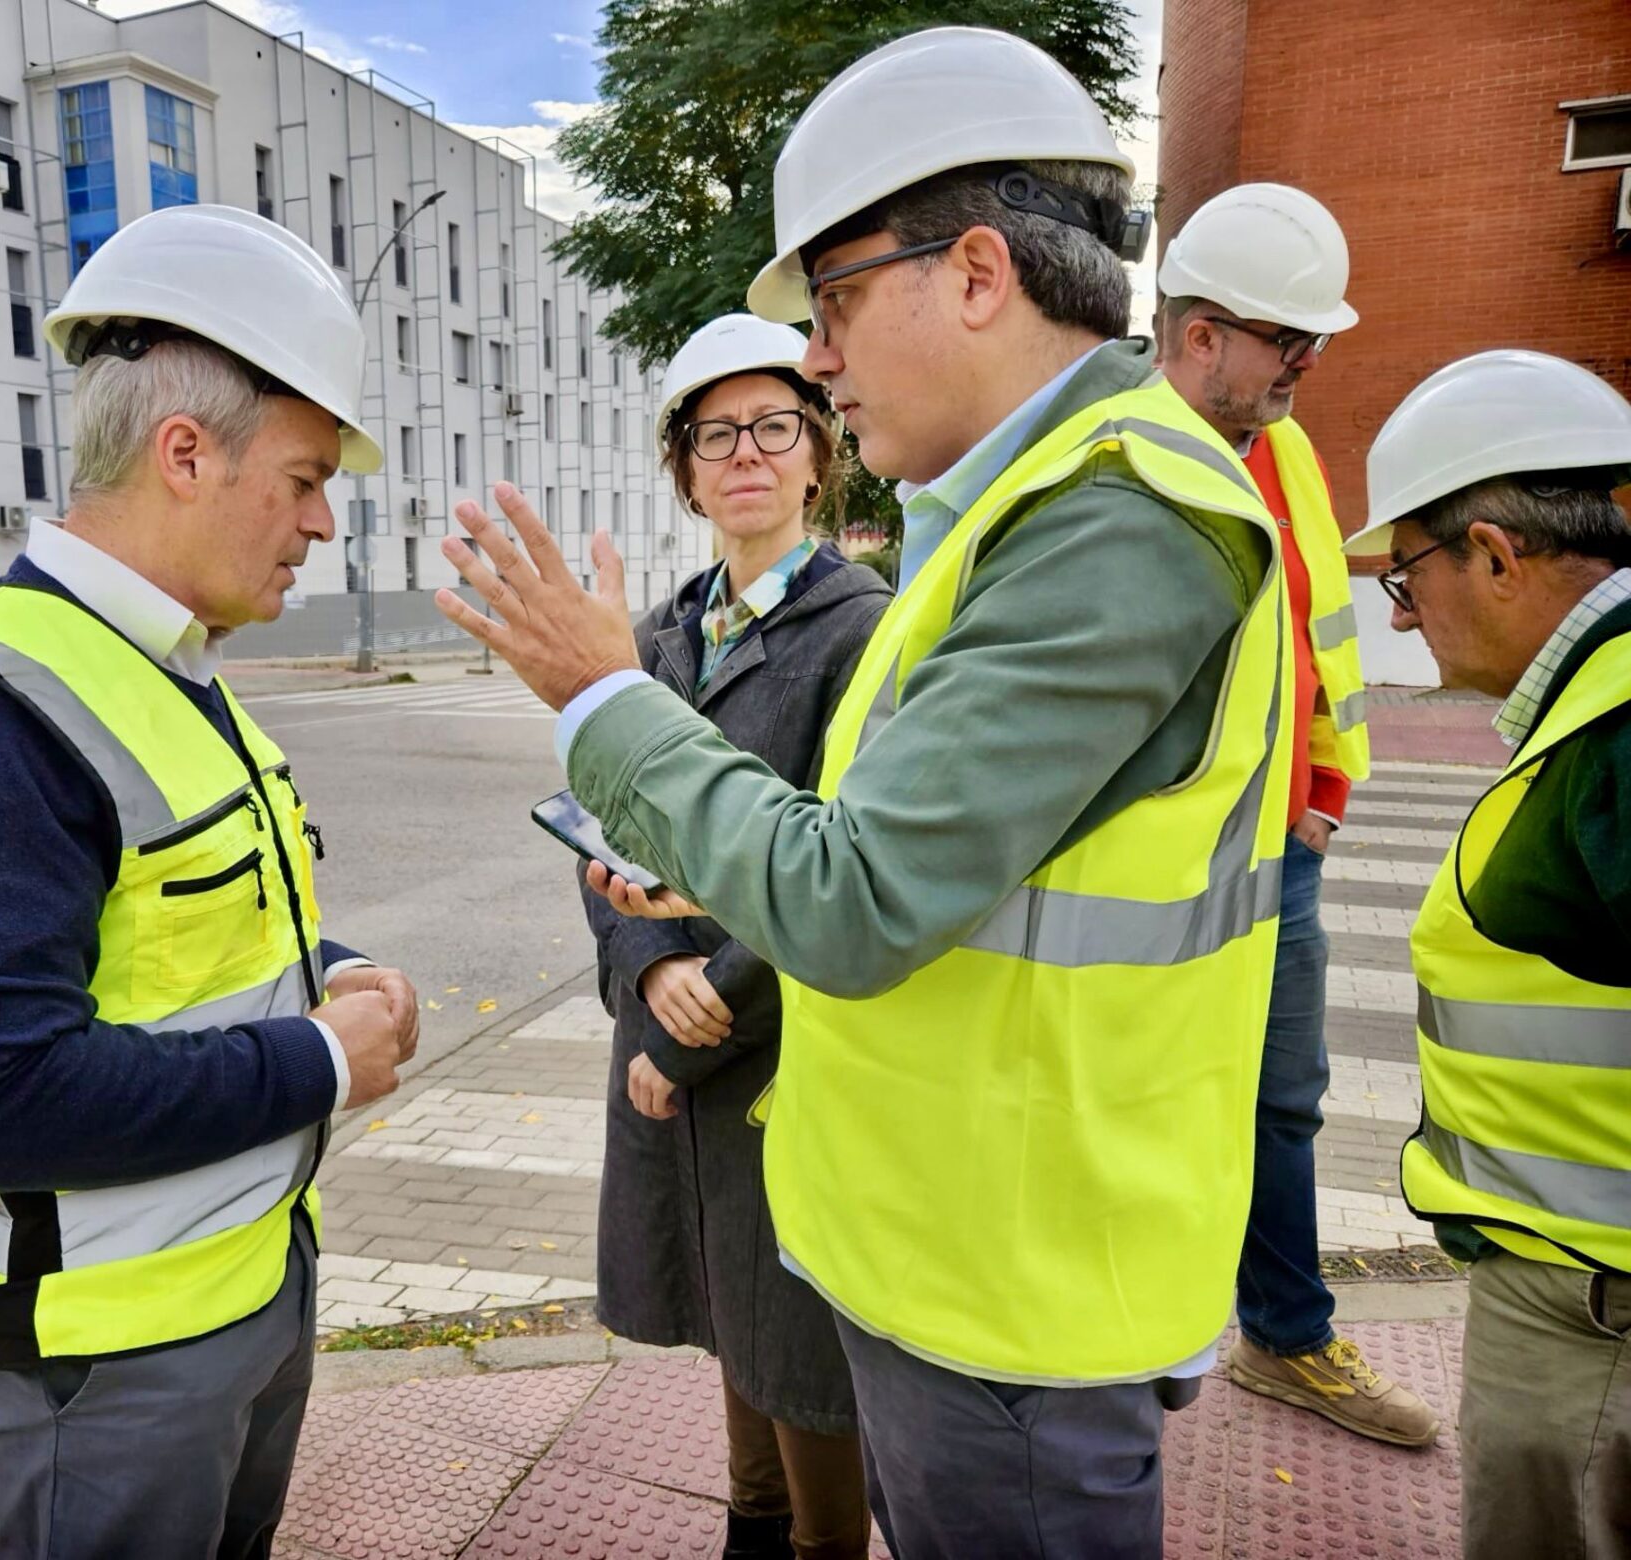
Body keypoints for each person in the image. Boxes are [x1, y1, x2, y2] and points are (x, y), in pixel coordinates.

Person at [431, 27, 1292, 1557]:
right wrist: (681, 887)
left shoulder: (1118, 518)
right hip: (945, 1250)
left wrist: (602, 697)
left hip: (1016, 1295)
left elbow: (854, 897)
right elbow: (896, 843)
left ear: (977, 274)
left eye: (830, 307)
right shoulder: (1013, 514)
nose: (817, 365)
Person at [0, 204, 418, 1560]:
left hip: (241, 1287)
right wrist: (326, 1059)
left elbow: (183, 943)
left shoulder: (173, 667)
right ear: (186, 453)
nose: (322, 522)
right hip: (105, 1366)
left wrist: (335, 974)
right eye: (305, 479)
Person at [585, 314, 889, 1560]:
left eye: (772, 426)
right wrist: (648, 963)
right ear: (686, 470)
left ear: (818, 453)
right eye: (714, 436)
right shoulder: (658, 633)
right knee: (725, 1309)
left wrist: (695, 1023)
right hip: (672, 1024)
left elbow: (851, 856)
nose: (745, 454)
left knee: (800, 1340)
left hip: (779, 1048)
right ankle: (750, 1526)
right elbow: (601, 825)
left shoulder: (863, 630)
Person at [1156, 183, 1439, 1446]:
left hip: (1282, 855)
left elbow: (1321, 629)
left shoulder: (1286, 449)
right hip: (1156, 865)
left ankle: (1284, 1336)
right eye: (1288, 340)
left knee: (1282, 1101)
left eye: (1314, 341)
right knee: (1144, 1097)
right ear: (1200, 333)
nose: (1307, 364)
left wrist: (1323, 792)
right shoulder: (1120, 454)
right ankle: (1129, 1340)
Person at [1342, 348, 1631, 1560]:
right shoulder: (1592, 709)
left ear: (1497, 557)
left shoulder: (1619, 734)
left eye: (1405, 577)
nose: (1403, 616)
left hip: (1593, 1325)